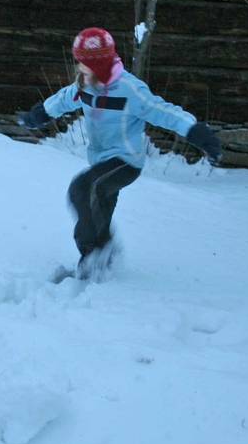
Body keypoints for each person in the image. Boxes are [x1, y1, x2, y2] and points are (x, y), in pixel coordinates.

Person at [19, 28, 223, 278]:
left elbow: (163, 111)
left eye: (84, 62)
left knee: (82, 190)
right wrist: (40, 114)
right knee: (95, 213)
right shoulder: (84, 85)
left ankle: (101, 251)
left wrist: (196, 132)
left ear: (100, 65)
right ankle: (96, 262)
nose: (79, 67)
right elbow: (63, 99)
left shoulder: (130, 90)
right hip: (101, 161)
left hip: (126, 161)